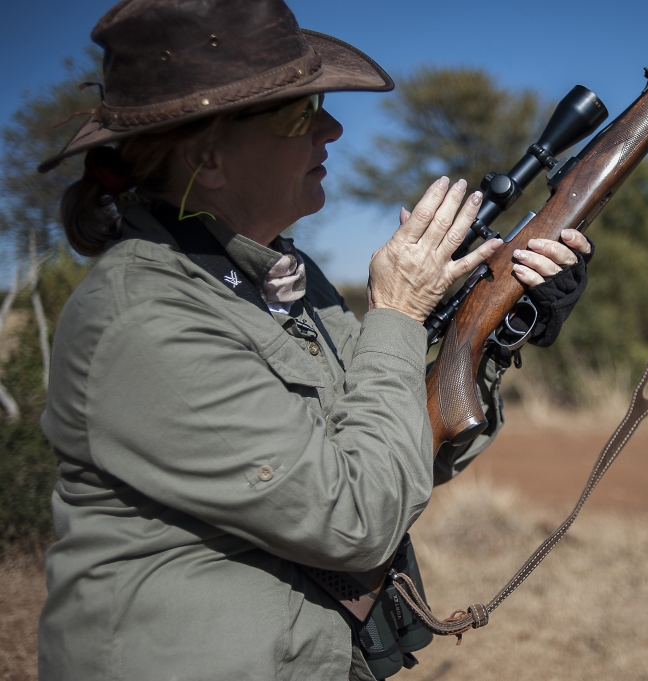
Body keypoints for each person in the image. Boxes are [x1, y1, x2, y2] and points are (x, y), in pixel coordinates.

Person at [34, 0, 592, 679]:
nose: (330, 127)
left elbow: (397, 445)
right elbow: (358, 515)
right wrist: (398, 312)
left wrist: (495, 329)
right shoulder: (144, 317)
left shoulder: (283, 278)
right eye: (300, 113)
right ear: (207, 156)